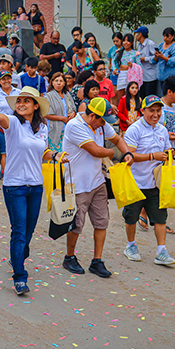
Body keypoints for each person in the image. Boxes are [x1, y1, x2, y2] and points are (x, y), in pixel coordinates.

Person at [0, 86, 66, 295]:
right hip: (14, 186)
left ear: (35, 106)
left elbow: (43, 150)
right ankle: (20, 277)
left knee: (28, 231)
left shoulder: (41, 126)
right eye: (19, 101)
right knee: (19, 230)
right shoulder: (13, 123)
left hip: (36, 186)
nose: (21, 104)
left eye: (26, 100)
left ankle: (17, 257)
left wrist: (55, 155)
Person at [62, 97, 132, 276]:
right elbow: (96, 151)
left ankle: (97, 261)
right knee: (77, 224)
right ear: (92, 115)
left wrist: (128, 152)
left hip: (97, 181)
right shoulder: (75, 125)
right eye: (102, 120)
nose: (104, 124)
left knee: (102, 222)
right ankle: (69, 257)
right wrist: (113, 154)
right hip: (77, 184)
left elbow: (117, 139)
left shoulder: (100, 124)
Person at [122, 95, 175, 265]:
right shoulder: (134, 129)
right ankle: (130, 245)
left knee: (160, 218)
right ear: (142, 111)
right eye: (151, 110)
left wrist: (170, 153)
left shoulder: (162, 130)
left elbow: (167, 148)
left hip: (156, 183)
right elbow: (128, 156)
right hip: (136, 182)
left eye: (158, 110)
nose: (155, 114)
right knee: (131, 218)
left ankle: (162, 251)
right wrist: (152, 156)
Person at [0, 71, 21, 180]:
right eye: (3, 79)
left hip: (15, 126)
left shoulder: (18, 92)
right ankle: (6, 174)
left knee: (16, 150)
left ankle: (12, 171)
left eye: (8, 78)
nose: (6, 81)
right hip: (1, 127)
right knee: (4, 151)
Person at [45, 72, 76, 151]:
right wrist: (62, 118)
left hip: (68, 128)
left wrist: (73, 113)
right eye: (56, 81)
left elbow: (73, 108)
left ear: (64, 83)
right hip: (55, 128)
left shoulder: (67, 95)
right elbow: (46, 114)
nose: (58, 83)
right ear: (52, 83)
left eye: (61, 81)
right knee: (57, 155)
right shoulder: (48, 96)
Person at [112, 34, 139, 104]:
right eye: (124, 41)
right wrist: (114, 69)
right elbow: (113, 61)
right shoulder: (120, 52)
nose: (125, 43)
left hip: (131, 76)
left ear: (132, 43)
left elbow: (140, 66)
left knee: (130, 95)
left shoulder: (135, 53)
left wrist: (132, 65)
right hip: (122, 74)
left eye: (128, 41)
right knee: (120, 96)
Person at [134, 26, 158, 98]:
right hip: (142, 77)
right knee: (142, 97)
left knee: (150, 98)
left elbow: (156, 57)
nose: (136, 36)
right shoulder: (139, 45)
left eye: (137, 34)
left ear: (140, 34)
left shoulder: (150, 44)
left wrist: (146, 59)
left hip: (150, 76)